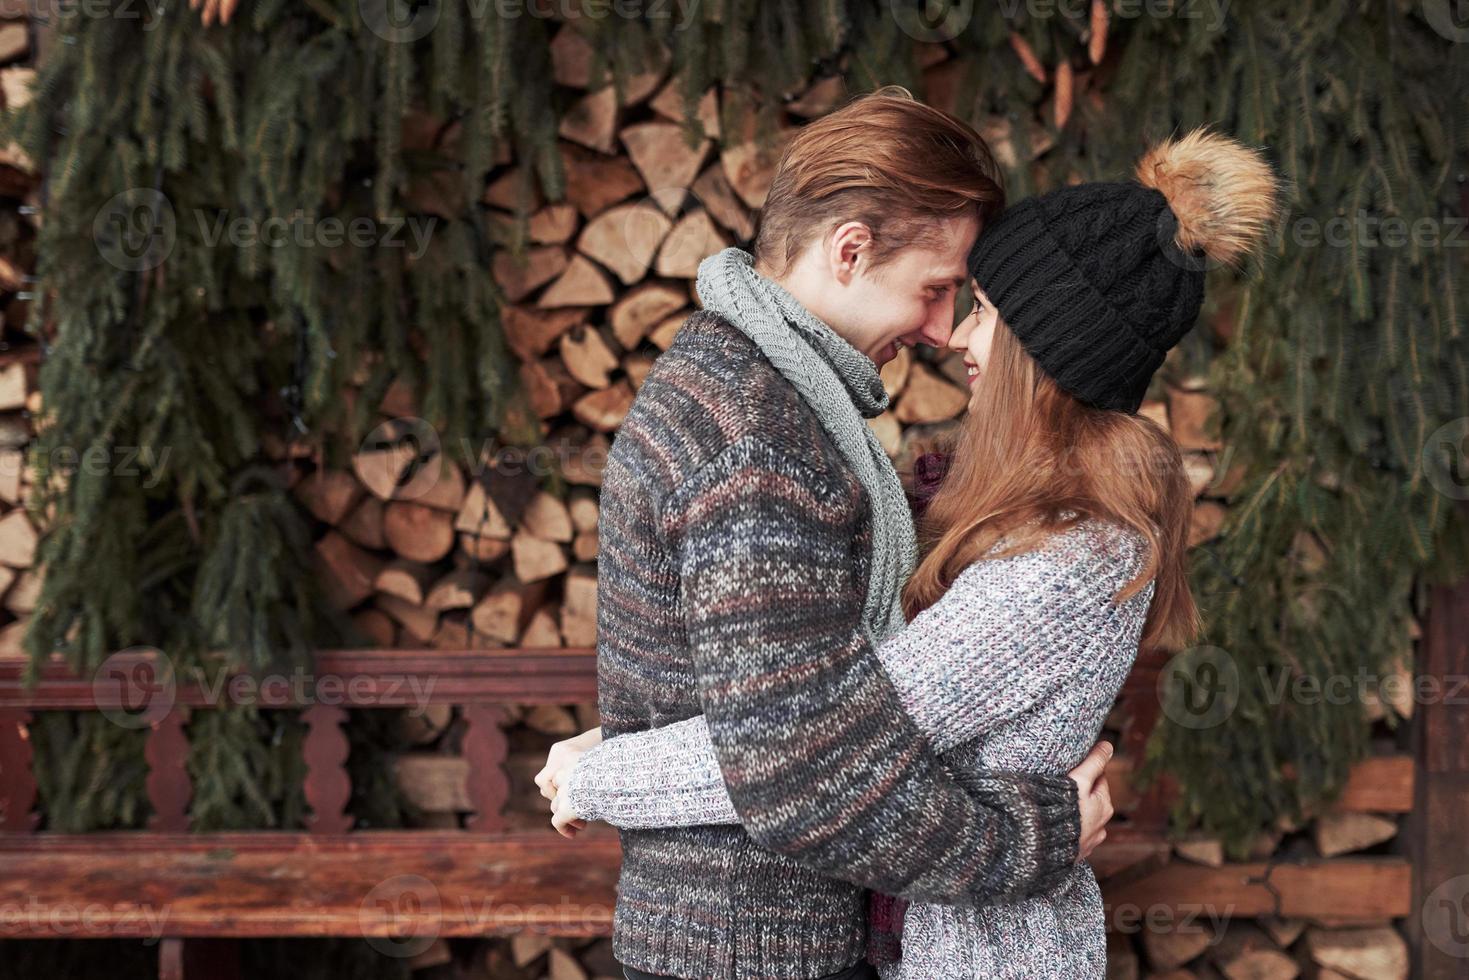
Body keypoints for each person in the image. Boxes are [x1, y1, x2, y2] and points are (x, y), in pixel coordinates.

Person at [544, 128, 1280, 978]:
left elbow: (815, 738)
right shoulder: (768, 432)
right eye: (944, 294)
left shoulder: (1062, 560)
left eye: (980, 313)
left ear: (1045, 353)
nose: (951, 334)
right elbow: (803, 742)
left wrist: (603, 769)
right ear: (849, 250)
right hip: (791, 931)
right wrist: (611, 753)